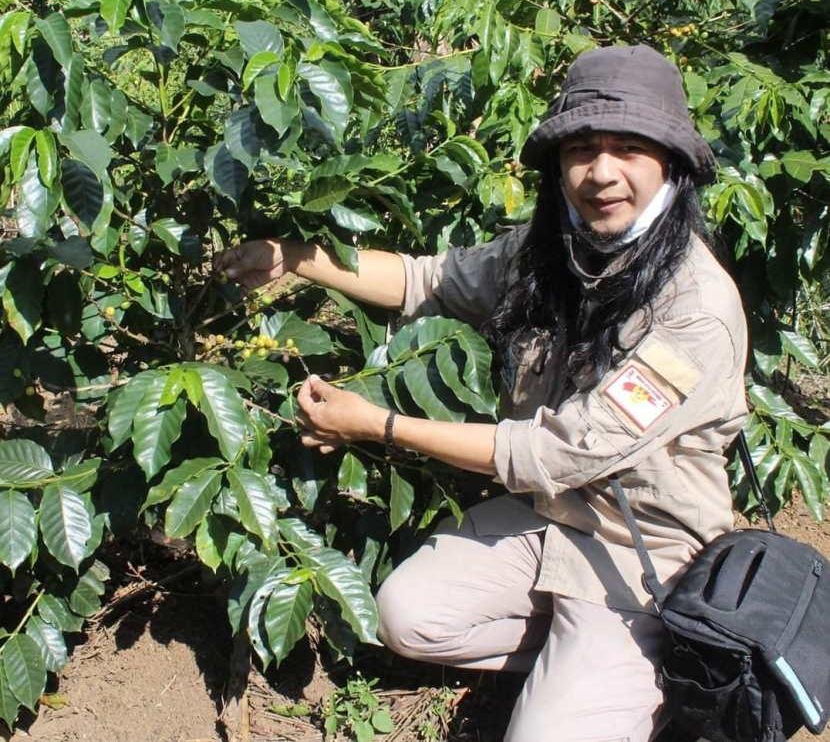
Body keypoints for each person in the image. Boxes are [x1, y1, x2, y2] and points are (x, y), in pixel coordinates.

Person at [216, 45, 748, 742]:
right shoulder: (554, 250)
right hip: (550, 517)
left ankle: (644, 667)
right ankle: (570, 665)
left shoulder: (696, 311)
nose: (602, 172)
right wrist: (297, 259)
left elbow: (557, 453)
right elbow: (427, 279)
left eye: (629, 149)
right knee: (404, 616)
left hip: (644, 556)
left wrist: (378, 426)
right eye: (582, 149)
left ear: (670, 163)